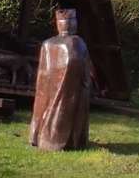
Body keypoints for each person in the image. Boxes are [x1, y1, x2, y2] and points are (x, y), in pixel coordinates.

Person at [29, 9, 92, 151]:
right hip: (70, 92)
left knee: (44, 103)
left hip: (47, 90)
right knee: (64, 106)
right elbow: (83, 69)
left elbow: (42, 74)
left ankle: (38, 135)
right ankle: (68, 141)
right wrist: (86, 84)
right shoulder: (77, 43)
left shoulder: (47, 43)